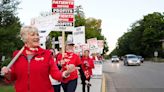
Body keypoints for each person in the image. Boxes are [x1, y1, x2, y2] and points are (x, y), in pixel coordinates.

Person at [0, 26, 75, 92]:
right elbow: (13, 77)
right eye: (33, 35)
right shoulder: (17, 55)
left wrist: (66, 72)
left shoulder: (46, 54)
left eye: (37, 35)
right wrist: (7, 73)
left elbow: (55, 74)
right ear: (25, 38)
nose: (37, 37)